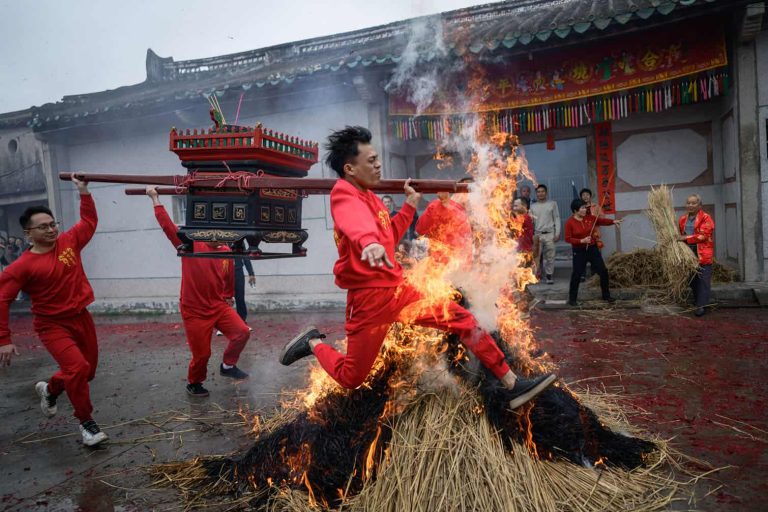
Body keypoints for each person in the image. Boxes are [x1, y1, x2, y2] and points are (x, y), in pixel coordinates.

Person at [278, 126, 556, 409]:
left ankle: (511, 383)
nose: (378, 164)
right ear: (350, 168)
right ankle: (313, 343)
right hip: (369, 301)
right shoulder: (343, 193)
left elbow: (389, 236)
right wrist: (368, 242)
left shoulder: (372, 197)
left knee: (464, 320)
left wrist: (409, 207)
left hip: (399, 291)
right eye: (371, 160)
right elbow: (354, 222)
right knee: (352, 377)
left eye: (377, 158)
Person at [0, 175, 108, 446]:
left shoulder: (68, 242)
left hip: (82, 317)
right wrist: (4, 339)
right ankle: (87, 425)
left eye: (52, 224)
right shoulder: (21, 267)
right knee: (78, 367)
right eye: (43, 227)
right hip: (52, 325)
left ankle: (50, 389)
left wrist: (83, 192)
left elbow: (89, 222)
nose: (50, 230)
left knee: (87, 372)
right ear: (28, 233)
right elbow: (2, 299)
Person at [146, 186, 251, 397]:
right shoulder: (190, 245)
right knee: (202, 354)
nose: (222, 239)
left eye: (225, 234)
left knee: (242, 332)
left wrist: (228, 295)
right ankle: (194, 383)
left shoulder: (226, 251)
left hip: (218, 305)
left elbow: (228, 275)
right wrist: (155, 198)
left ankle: (228, 366)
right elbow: (168, 227)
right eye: (219, 234)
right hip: (194, 310)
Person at [564, 199, 621, 306]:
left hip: (592, 249)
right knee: (577, 275)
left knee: (603, 271)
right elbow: (568, 238)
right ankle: (572, 299)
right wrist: (581, 241)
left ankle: (606, 295)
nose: (585, 209)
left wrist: (613, 222)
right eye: (582, 208)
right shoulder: (569, 222)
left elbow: (600, 221)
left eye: (585, 207)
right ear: (575, 210)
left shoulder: (590, 218)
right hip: (579, 251)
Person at [415, 179, 473, 266]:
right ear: (460, 192)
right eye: (469, 192)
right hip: (442, 268)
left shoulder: (467, 211)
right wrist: (446, 204)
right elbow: (420, 229)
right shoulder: (437, 206)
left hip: (464, 267)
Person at [677, 194, 714, 317]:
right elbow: (679, 235)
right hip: (688, 254)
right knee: (692, 279)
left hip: (702, 253)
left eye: (693, 203)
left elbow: (703, 236)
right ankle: (698, 301)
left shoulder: (706, 218)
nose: (690, 205)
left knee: (703, 279)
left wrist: (685, 238)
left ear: (700, 205)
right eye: (688, 203)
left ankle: (701, 306)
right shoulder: (682, 219)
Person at [216, 247, 255, 336]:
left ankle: (242, 323)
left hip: (238, 272)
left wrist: (251, 273)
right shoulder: (221, 239)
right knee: (223, 299)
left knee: (240, 298)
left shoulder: (239, 241)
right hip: (223, 272)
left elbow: (246, 257)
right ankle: (222, 326)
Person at [529, 184, 560, 284]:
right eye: (538, 192)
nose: (540, 193)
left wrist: (557, 233)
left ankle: (549, 276)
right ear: (536, 194)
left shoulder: (552, 204)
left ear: (546, 193)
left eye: (542, 191)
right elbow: (531, 222)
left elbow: (557, 218)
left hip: (550, 234)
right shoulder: (533, 206)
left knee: (550, 257)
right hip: (537, 235)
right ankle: (534, 276)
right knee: (536, 257)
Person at [578, 188, 601, 283]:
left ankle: (594, 274)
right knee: (582, 255)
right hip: (583, 235)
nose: (585, 197)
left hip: (594, 234)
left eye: (587, 194)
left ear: (590, 196)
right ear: (581, 197)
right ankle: (582, 275)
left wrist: (595, 218)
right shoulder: (579, 207)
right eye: (583, 195)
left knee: (594, 255)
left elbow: (602, 217)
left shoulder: (596, 206)